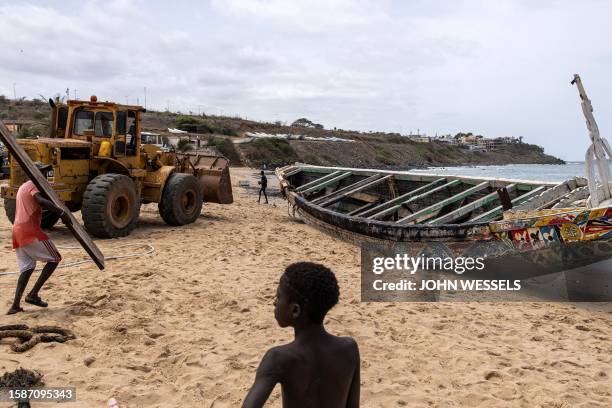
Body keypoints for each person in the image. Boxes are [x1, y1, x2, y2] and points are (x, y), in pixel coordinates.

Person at [243, 262, 360, 408]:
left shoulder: (278, 358)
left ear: (295, 310)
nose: (274, 303)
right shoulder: (350, 349)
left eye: (278, 297)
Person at [7, 163, 68, 315]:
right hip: (30, 230)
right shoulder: (32, 185)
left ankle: (15, 305)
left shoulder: (23, 186)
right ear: (34, 173)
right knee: (55, 258)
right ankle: (33, 294)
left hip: (17, 230)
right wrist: (61, 212)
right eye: (43, 172)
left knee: (27, 268)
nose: (45, 175)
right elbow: (40, 200)